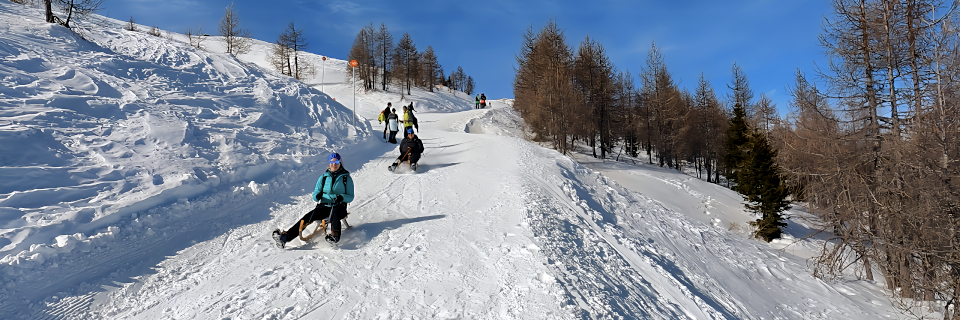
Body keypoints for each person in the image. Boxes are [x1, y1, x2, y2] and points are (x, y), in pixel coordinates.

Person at [272, 153, 354, 248]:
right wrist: (317, 196)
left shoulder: (346, 178)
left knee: (334, 215)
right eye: (332, 161)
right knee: (307, 217)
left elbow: (350, 196)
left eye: (336, 161)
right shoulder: (323, 178)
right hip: (324, 206)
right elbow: (315, 194)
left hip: (339, 206)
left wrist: (341, 197)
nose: (334, 164)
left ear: (340, 163)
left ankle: (334, 236)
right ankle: (285, 238)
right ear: (329, 163)